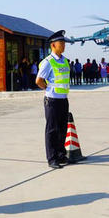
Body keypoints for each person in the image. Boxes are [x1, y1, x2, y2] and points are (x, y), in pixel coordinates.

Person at [36, 30, 72, 169]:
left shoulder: (64, 61)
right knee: (52, 130)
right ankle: (52, 158)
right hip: (52, 100)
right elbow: (38, 80)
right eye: (61, 43)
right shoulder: (48, 62)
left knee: (63, 128)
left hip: (63, 99)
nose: (63, 45)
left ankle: (61, 155)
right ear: (53, 45)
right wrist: (48, 89)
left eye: (64, 43)